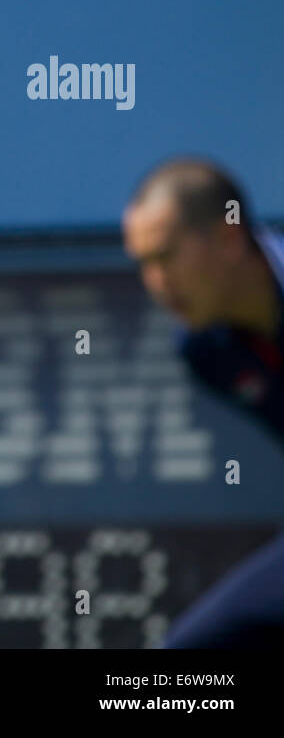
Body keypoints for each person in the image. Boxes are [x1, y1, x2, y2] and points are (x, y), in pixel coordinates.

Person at [122, 158, 284, 647]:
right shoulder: (202, 351)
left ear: (229, 238)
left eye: (166, 256)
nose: (156, 281)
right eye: (143, 263)